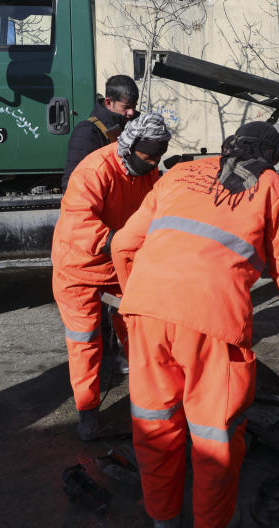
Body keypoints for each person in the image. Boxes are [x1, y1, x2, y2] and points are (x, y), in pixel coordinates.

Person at [111, 121, 279, 528]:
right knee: (215, 438)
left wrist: (136, 303)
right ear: (270, 158)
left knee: (155, 426)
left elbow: (123, 244)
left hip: (146, 311)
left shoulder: (177, 172)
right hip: (211, 321)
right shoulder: (271, 185)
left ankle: (163, 520)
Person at [51, 112, 171, 441]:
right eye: (148, 157)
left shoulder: (149, 173)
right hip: (78, 265)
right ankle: (87, 413)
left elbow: (156, 211)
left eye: (157, 159)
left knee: (140, 329)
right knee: (85, 341)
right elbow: (78, 223)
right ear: (130, 147)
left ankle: (152, 398)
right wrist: (119, 242)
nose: (152, 164)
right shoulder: (94, 169)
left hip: (118, 264)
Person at [62, 74, 141, 190]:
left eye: (134, 106)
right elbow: (74, 182)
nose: (131, 112)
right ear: (108, 103)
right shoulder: (87, 132)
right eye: (126, 107)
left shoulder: (133, 127)